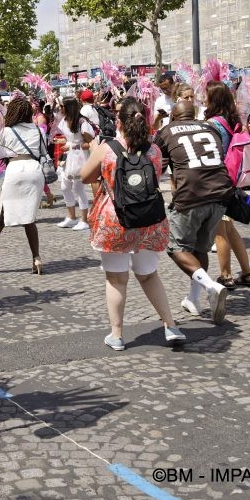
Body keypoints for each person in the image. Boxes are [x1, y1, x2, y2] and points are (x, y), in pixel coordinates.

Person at [80, 97, 184, 350]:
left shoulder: (107, 149)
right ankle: (170, 325)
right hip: (149, 220)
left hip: (116, 222)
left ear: (119, 122)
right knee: (148, 276)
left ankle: (116, 335)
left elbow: (85, 177)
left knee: (116, 279)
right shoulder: (154, 151)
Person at [153, 100, 232, 324]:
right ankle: (194, 300)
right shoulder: (210, 127)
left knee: (175, 246)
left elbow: (156, 160)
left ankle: (210, 286)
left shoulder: (167, 130)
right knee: (200, 247)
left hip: (191, 193)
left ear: (174, 117)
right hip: (220, 192)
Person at [203, 81, 250, 289]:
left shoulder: (213, 124)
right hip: (233, 178)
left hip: (219, 179)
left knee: (220, 229)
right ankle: (247, 272)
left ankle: (226, 275)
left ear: (213, 99)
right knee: (230, 228)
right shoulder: (233, 119)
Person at [0, 95, 46, 274]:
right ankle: (36, 258)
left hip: (15, 169)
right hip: (35, 171)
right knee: (29, 218)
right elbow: (42, 151)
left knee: (1, 218)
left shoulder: (6, 132)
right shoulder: (37, 130)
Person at [54, 98, 93, 230]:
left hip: (80, 158)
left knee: (78, 188)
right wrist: (62, 142)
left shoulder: (82, 122)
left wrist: (72, 146)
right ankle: (71, 217)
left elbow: (90, 143)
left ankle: (84, 220)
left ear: (68, 107)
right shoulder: (64, 120)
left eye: (61, 106)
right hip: (69, 158)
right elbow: (69, 137)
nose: (59, 108)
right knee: (65, 187)